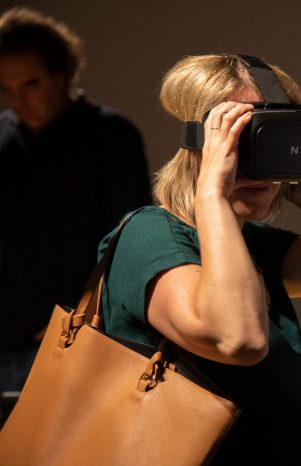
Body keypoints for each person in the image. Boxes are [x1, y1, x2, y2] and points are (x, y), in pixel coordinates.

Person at [98, 53, 301, 465]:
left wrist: (287, 167)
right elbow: (239, 339)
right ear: (201, 142)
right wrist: (211, 190)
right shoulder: (149, 235)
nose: (256, 163)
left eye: (269, 139)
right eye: (242, 139)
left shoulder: (254, 246)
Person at [0, 7, 150, 392]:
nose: (18, 100)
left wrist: (81, 316)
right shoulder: (2, 137)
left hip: (73, 336)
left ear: (60, 74)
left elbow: (128, 243)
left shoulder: (110, 136)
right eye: (6, 88)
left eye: (30, 85)